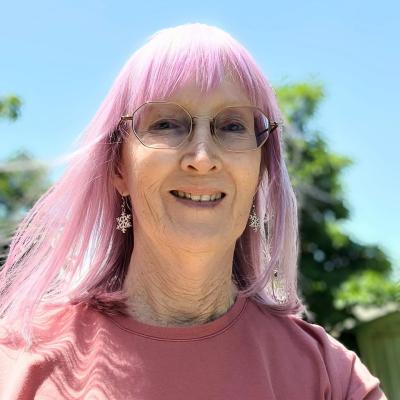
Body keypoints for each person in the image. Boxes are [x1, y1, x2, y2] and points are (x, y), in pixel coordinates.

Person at [0, 23, 386, 399]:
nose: (202, 159)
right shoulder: (16, 361)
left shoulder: (332, 379)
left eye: (233, 126)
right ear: (119, 167)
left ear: (260, 170)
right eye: (167, 124)